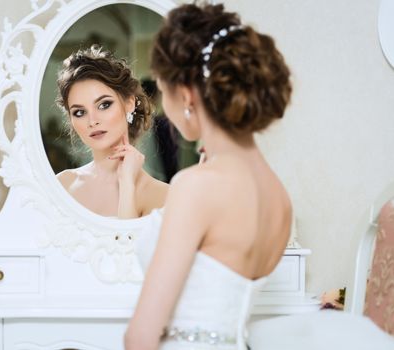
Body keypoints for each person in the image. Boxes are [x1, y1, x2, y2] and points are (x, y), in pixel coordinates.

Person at [125, 3, 394, 350]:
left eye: (163, 91)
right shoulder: (276, 196)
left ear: (187, 95)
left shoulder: (198, 186)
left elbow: (140, 336)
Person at [56, 46, 168, 219]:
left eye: (104, 105)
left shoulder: (162, 195)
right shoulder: (62, 185)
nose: (92, 121)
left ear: (129, 103)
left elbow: (128, 245)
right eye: (79, 112)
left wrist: (127, 185)